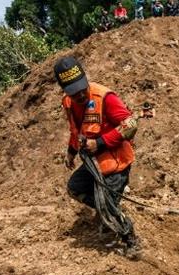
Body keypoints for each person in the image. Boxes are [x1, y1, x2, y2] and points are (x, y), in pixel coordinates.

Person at [54, 56, 142, 258]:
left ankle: (130, 238)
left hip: (116, 162)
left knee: (106, 204)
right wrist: (71, 152)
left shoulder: (105, 97)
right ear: (65, 91)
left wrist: (100, 142)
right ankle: (108, 210)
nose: (80, 95)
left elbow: (131, 125)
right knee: (75, 188)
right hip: (93, 163)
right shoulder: (68, 103)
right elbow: (76, 130)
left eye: (82, 89)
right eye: (74, 93)